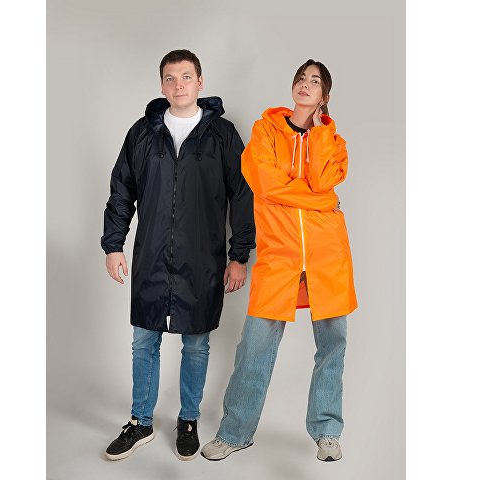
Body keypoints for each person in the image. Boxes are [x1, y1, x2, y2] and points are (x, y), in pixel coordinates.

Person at [100, 49, 255, 461]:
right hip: (151, 255)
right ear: (162, 85)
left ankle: (188, 420)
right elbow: (121, 190)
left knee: (196, 343)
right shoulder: (142, 133)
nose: (178, 84)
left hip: (202, 259)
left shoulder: (222, 135)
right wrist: (113, 245)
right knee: (143, 341)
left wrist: (239, 255)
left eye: (186, 76)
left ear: (200, 82)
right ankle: (140, 422)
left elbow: (243, 195)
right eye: (170, 78)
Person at [200, 59, 357, 462]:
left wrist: (319, 133)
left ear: (324, 96)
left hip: (327, 256)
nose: (305, 84)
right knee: (254, 346)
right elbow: (267, 186)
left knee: (333, 345)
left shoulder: (334, 142)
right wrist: (322, 202)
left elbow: (324, 179)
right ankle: (235, 432)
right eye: (301, 78)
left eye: (315, 82)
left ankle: (327, 431)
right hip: (279, 255)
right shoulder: (265, 130)